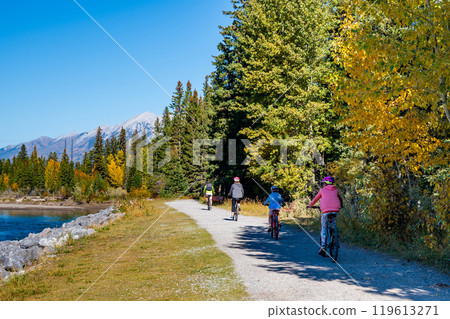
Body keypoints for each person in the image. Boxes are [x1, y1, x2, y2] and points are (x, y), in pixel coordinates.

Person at [308, 176, 343, 256]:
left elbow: (315, 200)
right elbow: (340, 199)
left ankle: (323, 246)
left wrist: (310, 205)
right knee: (333, 222)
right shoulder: (336, 190)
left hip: (325, 211)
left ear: (324, 183)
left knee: (324, 227)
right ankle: (335, 236)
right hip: (335, 210)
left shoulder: (322, 190)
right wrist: (341, 205)